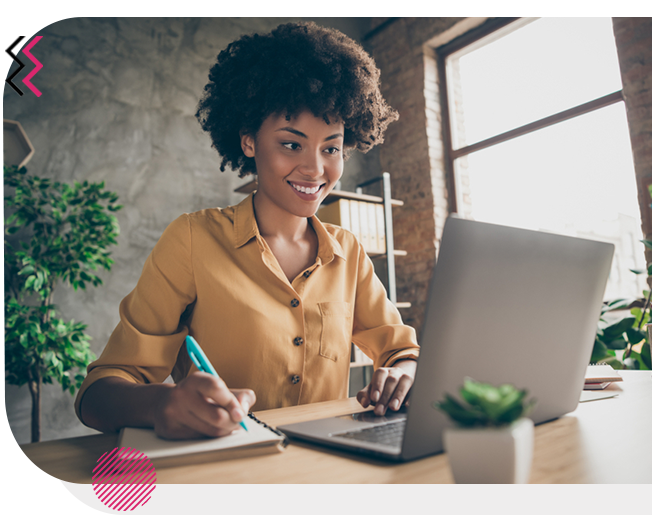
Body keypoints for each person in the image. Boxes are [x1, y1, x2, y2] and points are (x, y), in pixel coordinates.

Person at [76, 21, 419, 440]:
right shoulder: (192, 240)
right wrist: (164, 403)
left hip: (326, 474)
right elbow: (98, 395)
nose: (315, 168)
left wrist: (404, 373)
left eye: (331, 147)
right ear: (249, 142)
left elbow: (402, 351)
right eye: (291, 144)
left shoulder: (347, 251)